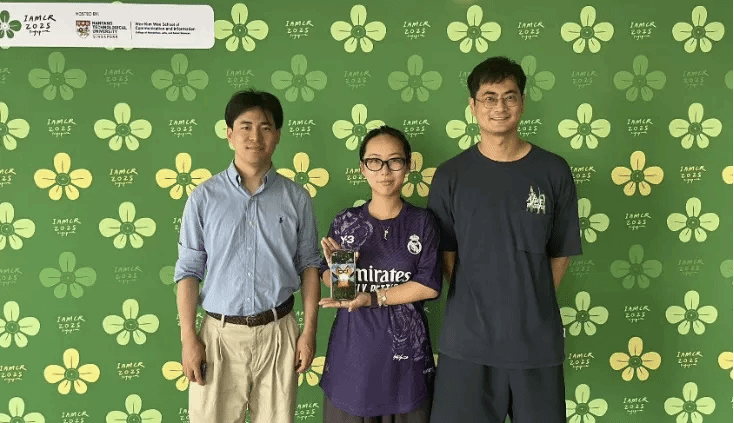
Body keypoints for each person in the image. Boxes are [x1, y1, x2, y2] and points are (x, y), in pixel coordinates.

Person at [427, 57, 583, 423]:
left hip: (535, 346)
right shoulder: (450, 176)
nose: (500, 106)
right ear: (473, 106)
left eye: (510, 96)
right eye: (489, 97)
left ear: (523, 103)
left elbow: (560, 252)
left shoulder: (553, 171)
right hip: (467, 346)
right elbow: (446, 255)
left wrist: (529, 297)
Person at [174, 89, 321, 423]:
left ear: (277, 135)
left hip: (279, 333)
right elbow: (189, 271)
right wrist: (189, 340)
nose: (256, 136)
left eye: (265, 127)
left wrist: (308, 332)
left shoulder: (296, 198)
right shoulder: (203, 198)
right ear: (229, 134)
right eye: (246, 126)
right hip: (219, 337)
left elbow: (310, 266)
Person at [318, 126, 442, 423]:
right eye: (374, 161)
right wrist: (340, 271)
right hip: (352, 363)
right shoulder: (345, 222)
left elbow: (428, 285)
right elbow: (338, 286)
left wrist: (373, 298)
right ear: (362, 168)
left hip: (406, 367)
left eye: (394, 161)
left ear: (408, 166)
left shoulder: (423, 222)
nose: (385, 171)